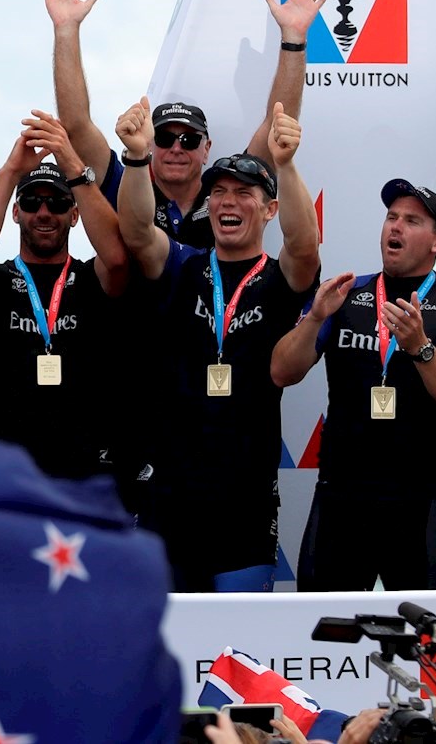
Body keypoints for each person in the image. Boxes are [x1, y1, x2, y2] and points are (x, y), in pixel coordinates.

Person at [117, 97, 320, 592]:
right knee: (170, 649)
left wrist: (286, 164)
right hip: (170, 494)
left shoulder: (279, 279)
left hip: (244, 501)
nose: (228, 202)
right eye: (220, 193)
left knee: (240, 647)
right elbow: (139, 231)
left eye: (244, 192)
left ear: (269, 208)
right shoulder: (185, 266)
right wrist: (138, 157)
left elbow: (303, 246)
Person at [272, 180, 436, 590]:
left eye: (411, 220)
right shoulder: (346, 295)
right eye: (391, 217)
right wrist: (315, 318)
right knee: (322, 631)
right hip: (342, 494)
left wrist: (420, 348)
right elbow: (282, 371)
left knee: (426, 642)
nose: (396, 227)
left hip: (423, 500)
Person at [42, 0, 331, 248]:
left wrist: (294, 39)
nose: (177, 148)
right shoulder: (127, 179)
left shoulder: (227, 192)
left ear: (207, 149)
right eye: (166, 138)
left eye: (190, 140)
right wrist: (66, 31)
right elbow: (76, 126)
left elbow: (277, 128)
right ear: (150, 144)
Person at [0, 114, 129, 477]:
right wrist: (10, 173)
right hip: (8, 475)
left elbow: (117, 260)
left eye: (58, 203)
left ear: (75, 214)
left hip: (84, 474)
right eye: (31, 202)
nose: (44, 212)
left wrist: (73, 164)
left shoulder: (90, 277)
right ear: (15, 212)